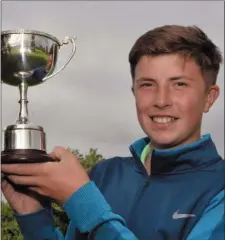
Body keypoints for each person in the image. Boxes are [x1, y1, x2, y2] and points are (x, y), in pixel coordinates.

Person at [1, 25, 224, 240]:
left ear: (209, 97)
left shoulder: (219, 188)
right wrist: (34, 218)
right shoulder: (105, 174)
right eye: (147, 85)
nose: (161, 100)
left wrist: (85, 204)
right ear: (134, 91)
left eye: (180, 85)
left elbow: (89, 210)